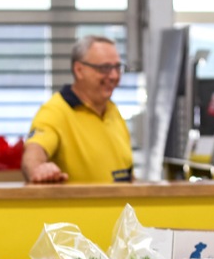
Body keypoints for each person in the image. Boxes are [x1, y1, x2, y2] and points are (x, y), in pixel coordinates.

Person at [22, 35, 133, 184]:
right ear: (79, 70)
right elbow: (33, 153)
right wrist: (39, 169)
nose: (113, 76)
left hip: (120, 206)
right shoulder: (55, 111)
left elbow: (126, 172)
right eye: (105, 68)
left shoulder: (112, 109)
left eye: (117, 67)